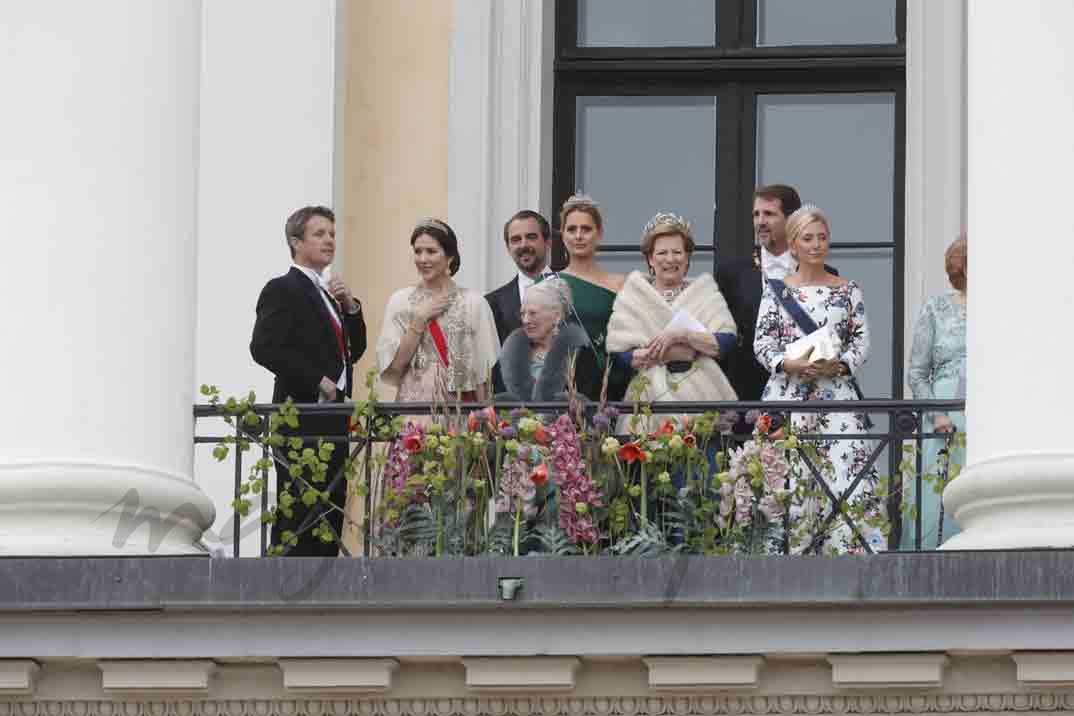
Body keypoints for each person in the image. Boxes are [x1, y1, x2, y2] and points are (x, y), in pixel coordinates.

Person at [753, 205, 880, 554]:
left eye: (822, 238)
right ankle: (786, 558)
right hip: (788, 397)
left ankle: (848, 558)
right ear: (793, 244)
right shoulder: (776, 291)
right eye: (807, 238)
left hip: (836, 398)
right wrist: (791, 365)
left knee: (843, 478)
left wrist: (838, 366)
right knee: (789, 480)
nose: (816, 245)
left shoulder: (848, 289)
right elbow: (762, 344)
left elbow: (862, 342)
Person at [250, 205, 367, 556]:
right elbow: (264, 347)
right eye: (320, 234)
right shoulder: (283, 288)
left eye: (332, 233)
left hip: (332, 418)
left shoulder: (329, 293)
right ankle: (285, 583)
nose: (329, 240)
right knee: (300, 506)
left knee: (331, 503)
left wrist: (351, 308)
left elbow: (353, 352)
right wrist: (318, 379)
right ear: (296, 242)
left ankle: (324, 582)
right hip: (299, 416)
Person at [606, 212, 738, 433]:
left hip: (701, 399)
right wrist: (683, 351)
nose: (670, 259)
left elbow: (725, 341)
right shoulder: (633, 295)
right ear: (650, 258)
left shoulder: (705, 292)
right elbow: (620, 354)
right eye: (662, 253)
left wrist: (681, 335)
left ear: (687, 258)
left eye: (677, 252)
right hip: (649, 401)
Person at [717, 185, 838, 403]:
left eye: (769, 214)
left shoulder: (826, 274)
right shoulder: (732, 274)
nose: (760, 221)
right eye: (756, 214)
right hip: (747, 395)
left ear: (792, 220)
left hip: (806, 391)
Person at [376, 218, 499, 402]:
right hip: (413, 414)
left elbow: (484, 374)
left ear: (449, 257)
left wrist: (485, 421)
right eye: (418, 252)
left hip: (459, 415)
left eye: (431, 251)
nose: (423, 259)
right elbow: (394, 369)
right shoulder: (400, 301)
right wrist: (419, 320)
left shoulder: (474, 303)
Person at [901, 235, 967, 549]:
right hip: (944, 419)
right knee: (940, 498)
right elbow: (917, 372)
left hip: (988, 415)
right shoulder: (937, 308)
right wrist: (936, 414)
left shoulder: (1003, 311)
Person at [556, 193, 630, 402]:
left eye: (586, 229)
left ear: (599, 233)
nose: (578, 236)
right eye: (571, 229)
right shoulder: (548, 284)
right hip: (565, 389)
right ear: (562, 235)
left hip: (615, 384)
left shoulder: (620, 284)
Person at [496, 277, 598, 401]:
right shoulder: (509, 355)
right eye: (523, 313)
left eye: (533, 313)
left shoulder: (581, 356)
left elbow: (590, 410)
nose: (525, 320)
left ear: (557, 316)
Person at [485, 210, 553, 394]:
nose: (523, 245)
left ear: (547, 242)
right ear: (508, 247)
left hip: (566, 411)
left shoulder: (570, 290)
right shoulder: (492, 303)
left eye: (531, 237)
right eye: (515, 239)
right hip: (511, 414)